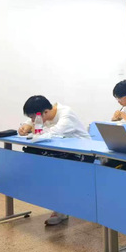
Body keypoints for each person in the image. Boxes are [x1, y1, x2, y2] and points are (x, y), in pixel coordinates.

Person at [18, 95, 90, 225]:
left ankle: (61, 210)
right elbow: (35, 125)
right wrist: (26, 126)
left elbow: (51, 134)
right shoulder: (46, 113)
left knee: (55, 173)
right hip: (63, 153)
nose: (33, 120)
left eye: (34, 118)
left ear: (45, 112)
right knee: (48, 171)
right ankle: (60, 209)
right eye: (31, 118)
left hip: (83, 154)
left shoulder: (66, 115)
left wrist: (33, 129)